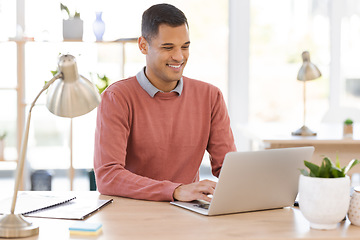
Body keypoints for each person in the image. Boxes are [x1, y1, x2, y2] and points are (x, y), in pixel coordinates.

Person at [94, 3, 236, 202]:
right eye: (168, 47)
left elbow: (229, 169)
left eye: (185, 47)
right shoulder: (117, 97)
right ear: (143, 45)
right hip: (132, 214)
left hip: (188, 214)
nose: (179, 57)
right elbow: (108, 177)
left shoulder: (211, 96)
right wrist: (175, 190)